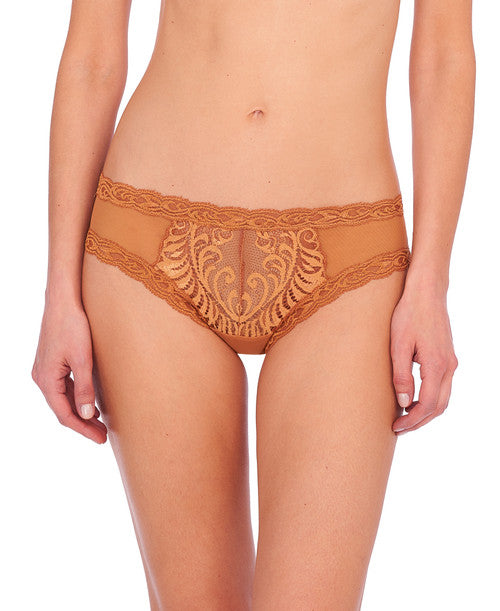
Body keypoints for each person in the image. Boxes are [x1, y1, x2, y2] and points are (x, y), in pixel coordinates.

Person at [31, 1, 475, 609]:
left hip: (350, 257)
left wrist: (431, 281)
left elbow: (445, 56)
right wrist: (59, 291)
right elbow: (93, 56)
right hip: (150, 240)